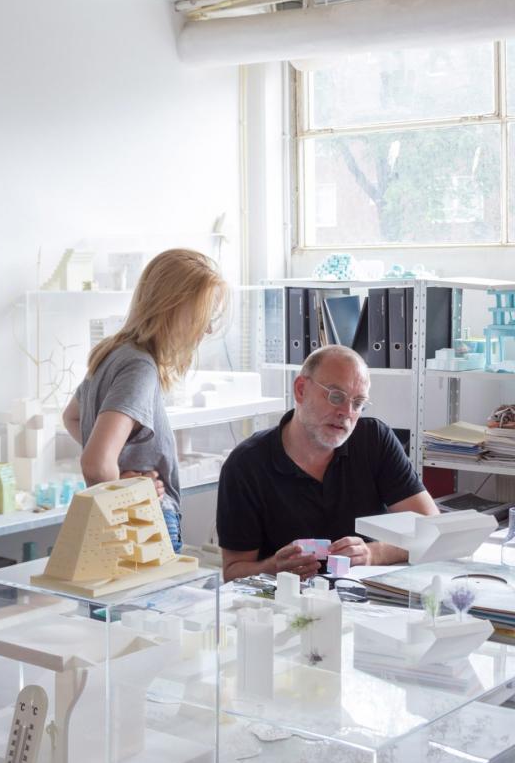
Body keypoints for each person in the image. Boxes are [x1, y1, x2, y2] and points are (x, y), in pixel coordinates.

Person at [216, 344, 439, 582]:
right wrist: (274, 568)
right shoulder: (247, 465)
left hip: (368, 597)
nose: (346, 412)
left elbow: (432, 530)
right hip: (286, 604)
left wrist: (373, 553)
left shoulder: (373, 440)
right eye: (336, 396)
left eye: (358, 403)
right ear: (301, 390)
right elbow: (233, 572)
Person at [62, 248, 227, 552]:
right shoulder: (140, 367)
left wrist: (118, 465)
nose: (208, 328)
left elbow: (72, 417)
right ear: (173, 307)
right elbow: (96, 463)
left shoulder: (113, 353)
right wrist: (126, 492)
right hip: (143, 520)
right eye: (204, 315)